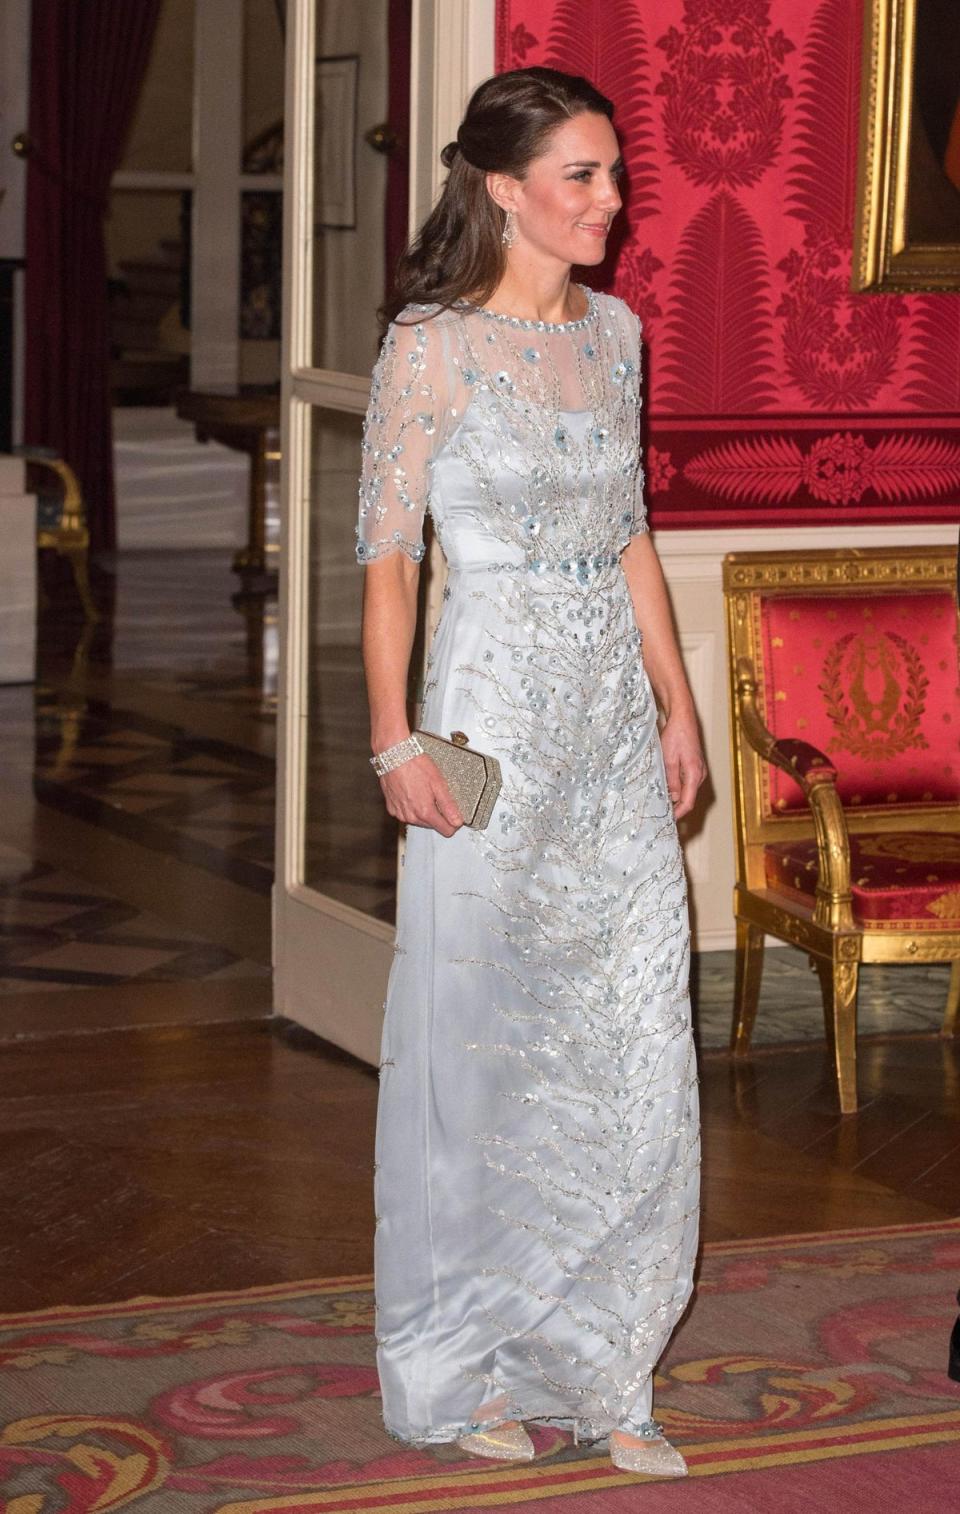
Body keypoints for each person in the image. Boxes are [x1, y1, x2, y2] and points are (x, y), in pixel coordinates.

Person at [356, 66, 706, 1478]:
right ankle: (465, 1360)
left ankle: (606, 1358)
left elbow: (630, 532)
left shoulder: (616, 334)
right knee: (484, 1050)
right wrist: (392, 739)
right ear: (502, 188)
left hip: (612, 726)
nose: (609, 201)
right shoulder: (430, 347)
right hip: (489, 713)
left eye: (613, 173)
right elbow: (388, 561)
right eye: (581, 175)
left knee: (627, 1041)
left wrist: (678, 707)